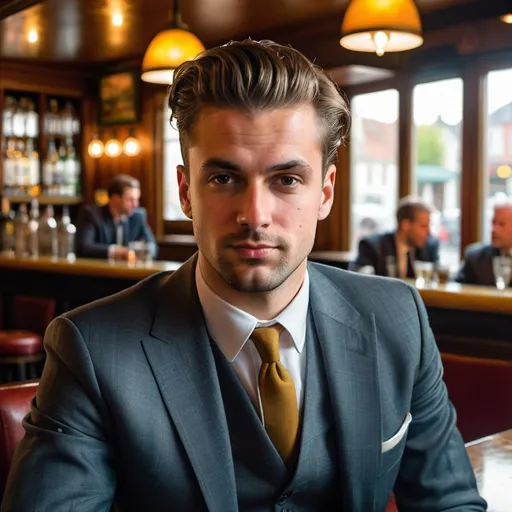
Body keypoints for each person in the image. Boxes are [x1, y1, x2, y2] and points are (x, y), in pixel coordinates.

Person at [2, 40, 486, 511]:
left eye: (287, 179)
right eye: (224, 178)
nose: (255, 214)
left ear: (326, 192)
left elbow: (451, 502)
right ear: (186, 191)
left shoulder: (397, 318)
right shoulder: (92, 349)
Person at [350, 195, 440, 278]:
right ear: (406, 225)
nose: (428, 233)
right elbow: (359, 281)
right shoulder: (372, 247)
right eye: (423, 226)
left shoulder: (429, 248)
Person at [75, 174, 157, 260]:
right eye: (130, 200)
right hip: (99, 271)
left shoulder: (138, 216)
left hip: (130, 271)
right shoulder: (91, 214)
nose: (136, 205)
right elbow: (84, 247)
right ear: (115, 198)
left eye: (137, 199)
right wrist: (117, 251)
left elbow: (152, 247)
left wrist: (141, 253)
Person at [456, 199, 512, 286]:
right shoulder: (475, 258)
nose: (494, 230)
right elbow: (455, 292)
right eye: (493, 223)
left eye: (501, 224)